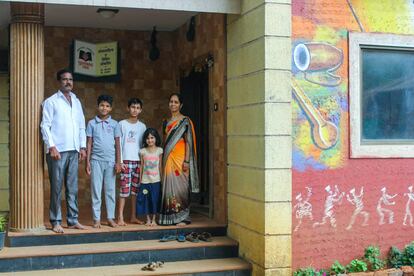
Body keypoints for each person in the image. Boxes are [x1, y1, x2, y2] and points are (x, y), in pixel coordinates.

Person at [40, 69, 87, 233]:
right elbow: (45, 125)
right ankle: (56, 221)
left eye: (71, 79)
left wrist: (82, 146)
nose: (68, 82)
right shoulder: (51, 102)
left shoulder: (77, 101)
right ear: (59, 82)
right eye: (65, 79)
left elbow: (82, 125)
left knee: (72, 187)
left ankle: (73, 220)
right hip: (57, 151)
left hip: (74, 150)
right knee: (57, 187)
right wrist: (51, 146)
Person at [158, 93, 199, 226]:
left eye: (176, 102)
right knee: (169, 187)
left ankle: (183, 217)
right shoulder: (165, 121)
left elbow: (188, 142)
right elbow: (164, 142)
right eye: (171, 102)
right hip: (168, 158)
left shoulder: (185, 121)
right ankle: (169, 216)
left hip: (181, 159)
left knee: (181, 186)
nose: (173, 104)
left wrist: (187, 161)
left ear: (180, 105)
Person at [86, 95, 121, 228]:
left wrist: (118, 162)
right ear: (98, 106)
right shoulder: (91, 123)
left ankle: (110, 218)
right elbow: (89, 143)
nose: (104, 108)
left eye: (107, 106)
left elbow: (118, 144)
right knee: (96, 190)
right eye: (102, 105)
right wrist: (88, 161)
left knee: (110, 190)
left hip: (111, 162)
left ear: (111, 108)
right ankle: (96, 219)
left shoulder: (114, 124)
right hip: (96, 161)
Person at [118, 98, 146, 226]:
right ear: (128, 108)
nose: (135, 110)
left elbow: (143, 145)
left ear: (140, 110)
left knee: (135, 191)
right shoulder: (122, 124)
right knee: (124, 191)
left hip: (138, 162)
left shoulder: (142, 126)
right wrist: (120, 161)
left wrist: (143, 162)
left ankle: (133, 216)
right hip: (126, 161)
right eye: (132, 107)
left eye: (137, 108)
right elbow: (118, 144)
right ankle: (120, 218)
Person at [137, 128, 163, 226]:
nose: (150, 140)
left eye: (152, 138)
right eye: (148, 138)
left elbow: (160, 166)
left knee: (155, 199)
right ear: (145, 140)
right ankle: (148, 219)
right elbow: (142, 166)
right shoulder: (143, 151)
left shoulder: (159, 151)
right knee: (146, 200)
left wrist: (162, 179)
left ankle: (154, 219)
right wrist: (140, 180)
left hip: (156, 181)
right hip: (145, 181)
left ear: (156, 138)